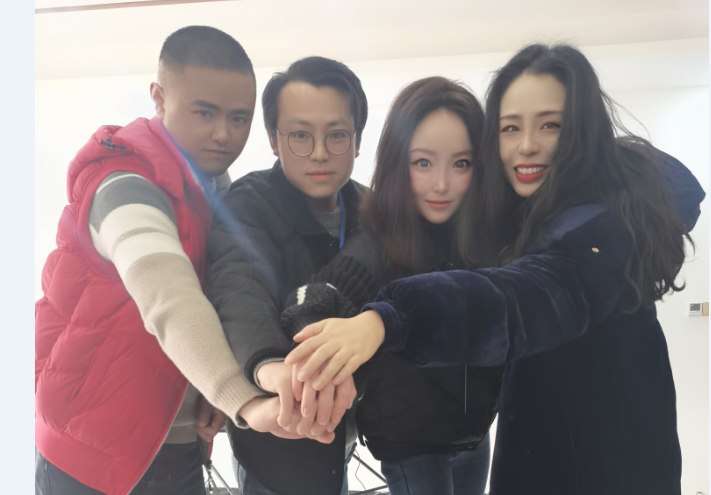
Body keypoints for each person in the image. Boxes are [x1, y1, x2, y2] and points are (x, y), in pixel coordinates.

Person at [286, 44, 706, 494]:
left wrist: (389, 319)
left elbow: (522, 296)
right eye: (510, 127)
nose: (527, 145)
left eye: (551, 125)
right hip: (435, 443)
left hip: (590, 463)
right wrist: (312, 364)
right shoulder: (519, 217)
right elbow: (321, 293)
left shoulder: (590, 229)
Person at [34, 26, 299, 495]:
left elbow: (225, 298)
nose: (224, 134)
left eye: (239, 118)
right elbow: (169, 299)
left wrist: (213, 390)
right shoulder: (124, 186)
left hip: (176, 443)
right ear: (158, 97)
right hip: (93, 453)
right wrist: (242, 399)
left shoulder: (214, 193)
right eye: (204, 112)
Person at [279, 76, 500, 495]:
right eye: (423, 163)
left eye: (461, 164)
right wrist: (327, 362)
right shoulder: (380, 241)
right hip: (411, 445)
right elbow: (311, 300)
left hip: (475, 432)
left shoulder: (486, 241)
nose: (441, 184)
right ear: (398, 163)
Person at [205, 56, 368, 495]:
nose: (319, 152)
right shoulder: (248, 203)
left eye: (337, 134)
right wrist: (269, 364)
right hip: (277, 440)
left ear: (357, 141)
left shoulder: (372, 211)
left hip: (347, 432)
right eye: (300, 135)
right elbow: (240, 288)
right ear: (274, 141)